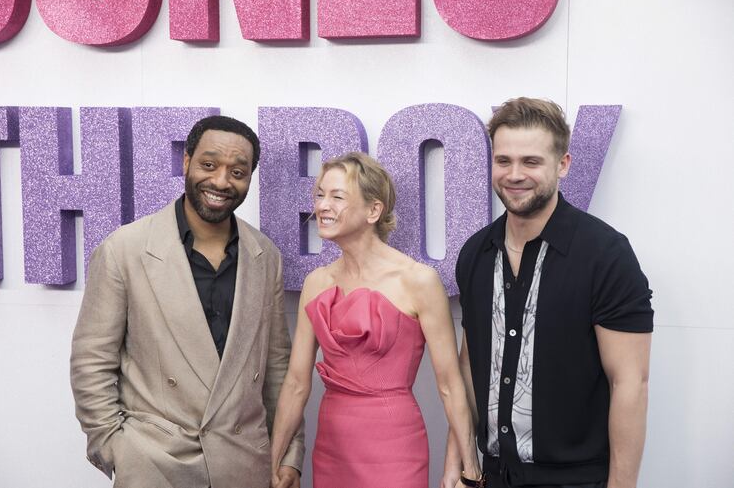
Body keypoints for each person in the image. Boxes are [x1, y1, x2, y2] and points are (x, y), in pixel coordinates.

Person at [70, 115, 304, 488]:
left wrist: (290, 454)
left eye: (238, 171)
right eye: (209, 165)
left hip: (245, 464)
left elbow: (276, 367)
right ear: (187, 162)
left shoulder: (265, 256)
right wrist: (116, 447)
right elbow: (91, 360)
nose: (222, 181)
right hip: (154, 464)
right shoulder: (125, 250)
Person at [446, 97, 653, 488]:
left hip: (576, 480)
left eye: (531, 162)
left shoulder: (605, 254)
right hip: (490, 476)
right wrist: (457, 462)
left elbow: (630, 383)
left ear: (562, 165)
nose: (514, 174)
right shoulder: (475, 253)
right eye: (503, 161)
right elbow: (470, 368)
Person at [269, 152, 481, 488]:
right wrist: (274, 462)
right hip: (333, 447)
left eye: (337, 197)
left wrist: (471, 470)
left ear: (373, 210)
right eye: (320, 194)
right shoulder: (317, 283)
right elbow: (296, 384)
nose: (322, 206)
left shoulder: (418, 280)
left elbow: (450, 385)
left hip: (395, 446)